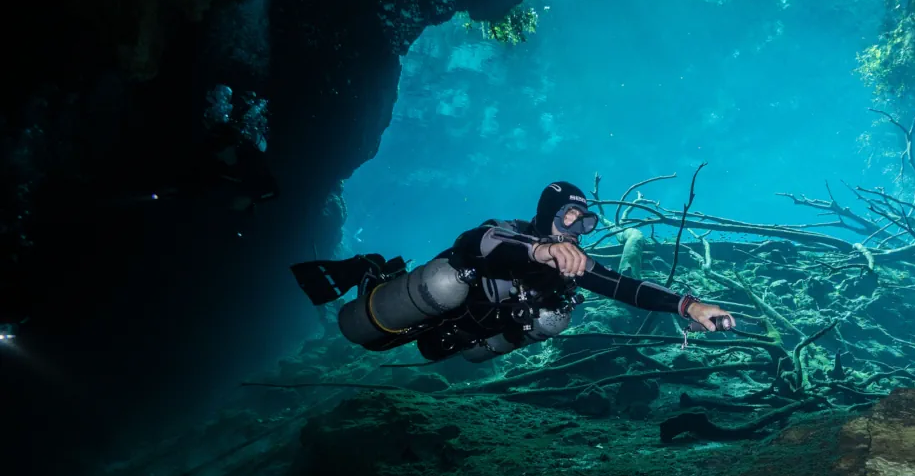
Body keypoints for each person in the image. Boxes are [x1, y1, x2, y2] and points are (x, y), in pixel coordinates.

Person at [291, 181, 735, 363]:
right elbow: (477, 241)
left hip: (459, 336)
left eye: (586, 223)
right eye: (569, 219)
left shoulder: (573, 266)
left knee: (554, 318)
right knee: (442, 283)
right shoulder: (511, 235)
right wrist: (542, 251)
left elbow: (625, 287)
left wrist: (690, 306)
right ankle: (368, 272)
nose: (577, 231)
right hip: (431, 300)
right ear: (546, 217)